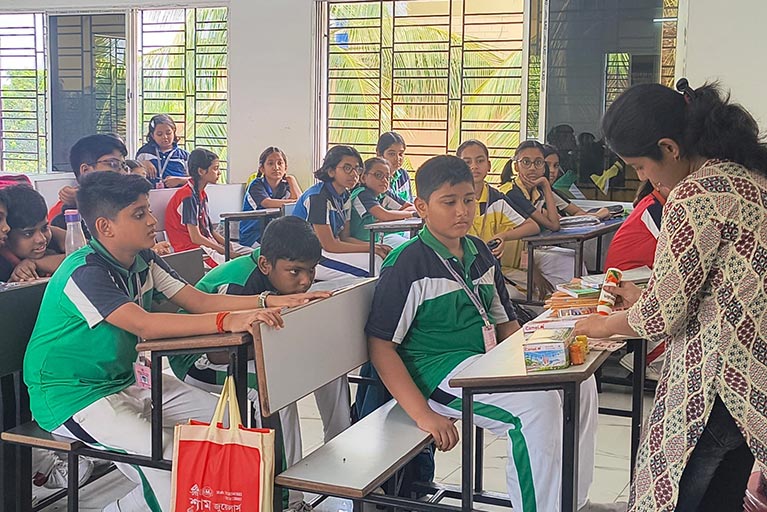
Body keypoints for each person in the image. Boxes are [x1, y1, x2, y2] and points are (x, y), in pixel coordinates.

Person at [22, 171, 292, 511]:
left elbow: (198, 300)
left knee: (229, 420)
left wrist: (272, 301)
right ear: (105, 227)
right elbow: (145, 325)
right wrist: (228, 320)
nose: (152, 220)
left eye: (148, 210)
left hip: (124, 381)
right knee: (166, 458)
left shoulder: (143, 259)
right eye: (139, 214)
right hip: (72, 397)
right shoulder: (85, 272)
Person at [366, 155, 615, 512]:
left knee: (579, 384)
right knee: (535, 408)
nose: (462, 211)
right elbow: (381, 347)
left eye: (469, 200)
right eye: (449, 202)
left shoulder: (479, 251)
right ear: (422, 207)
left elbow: (505, 324)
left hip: (484, 363)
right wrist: (424, 415)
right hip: (436, 375)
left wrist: (538, 359)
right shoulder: (408, 263)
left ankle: (573, 502)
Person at [574, 81, 767, 512]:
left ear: (669, 148)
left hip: (713, 382)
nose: (644, 178)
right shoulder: (751, 177)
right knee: (722, 498)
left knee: (673, 497)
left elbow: (661, 316)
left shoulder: (695, 194)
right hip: (752, 383)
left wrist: (598, 325)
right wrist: (644, 294)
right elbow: (722, 284)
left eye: (640, 166)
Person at [168, 216, 347, 511]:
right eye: (295, 271)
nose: (305, 281)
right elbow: (222, 351)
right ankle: (288, 499)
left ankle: (342, 455)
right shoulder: (238, 284)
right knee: (273, 389)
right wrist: (287, 350)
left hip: (251, 352)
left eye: (311, 270)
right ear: (265, 265)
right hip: (197, 357)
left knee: (330, 364)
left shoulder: (281, 273)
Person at [603, 173, 669, 381]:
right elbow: (677, 250)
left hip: (639, 276)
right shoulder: (653, 208)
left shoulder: (656, 204)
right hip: (626, 281)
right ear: (658, 182)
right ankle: (644, 359)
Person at [292, 145, 389, 280]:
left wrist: (375, 247)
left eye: (357, 169)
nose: (354, 174)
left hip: (327, 251)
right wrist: (371, 248)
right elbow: (329, 245)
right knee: (373, 266)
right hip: (306, 256)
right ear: (331, 171)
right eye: (347, 168)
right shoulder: (318, 198)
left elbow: (345, 237)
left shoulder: (345, 196)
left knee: (380, 258)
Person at [499, 141, 583, 288]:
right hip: (505, 261)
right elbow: (553, 225)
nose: (532, 168)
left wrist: (545, 185)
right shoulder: (511, 193)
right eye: (526, 162)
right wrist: (545, 183)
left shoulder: (536, 191)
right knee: (546, 288)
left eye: (538, 163)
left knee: (573, 261)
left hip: (525, 254)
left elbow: (554, 223)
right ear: (516, 166)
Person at [457, 139, 540, 273]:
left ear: (489, 165)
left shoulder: (496, 200)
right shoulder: (452, 200)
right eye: (467, 162)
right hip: (459, 268)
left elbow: (532, 226)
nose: (474, 166)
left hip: (490, 268)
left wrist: (503, 236)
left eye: (480, 161)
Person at [165, 148, 251, 267]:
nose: (219, 173)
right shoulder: (187, 196)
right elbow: (195, 238)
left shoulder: (202, 194)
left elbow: (209, 230)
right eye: (215, 168)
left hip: (208, 243)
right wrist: (227, 252)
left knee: (252, 254)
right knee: (238, 265)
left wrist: (227, 244)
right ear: (201, 171)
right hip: (192, 250)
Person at [48, 134, 130, 233]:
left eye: (123, 166)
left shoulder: (130, 204)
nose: (123, 172)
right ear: (86, 170)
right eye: (113, 164)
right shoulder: (65, 220)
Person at [0, 185, 65, 282]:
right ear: (6, 235)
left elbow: (86, 256)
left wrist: (36, 263)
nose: (42, 239)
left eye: (44, 228)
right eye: (28, 233)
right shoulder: (3, 265)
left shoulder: (53, 240)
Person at [239, 147, 302, 247]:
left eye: (280, 163)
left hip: (274, 234)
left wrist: (292, 180)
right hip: (254, 236)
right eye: (270, 163)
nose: (276, 167)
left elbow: (299, 204)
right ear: (262, 169)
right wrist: (293, 201)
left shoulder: (286, 185)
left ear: (285, 167)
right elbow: (267, 203)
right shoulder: (256, 185)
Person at [349, 157, 416, 248]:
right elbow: (384, 215)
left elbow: (411, 207)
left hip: (376, 240)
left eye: (387, 177)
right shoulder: (362, 194)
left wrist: (393, 216)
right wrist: (412, 215)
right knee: (408, 248)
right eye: (378, 175)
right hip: (359, 244)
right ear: (363, 178)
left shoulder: (384, 193)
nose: (384, 180)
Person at [543, 145, 610, 219]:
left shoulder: (550, 191)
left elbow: (577, 212)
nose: (552, 170)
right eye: (547, 165)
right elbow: (558, 220)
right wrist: (598, 215)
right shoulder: (535, 195)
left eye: (556, 166)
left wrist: (593, 216)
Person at [135, 114, 190, 188]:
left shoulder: (184, 156)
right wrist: (141, 164)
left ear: (174, 131)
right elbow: (132, 174)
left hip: (177, 194)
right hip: (150, 194)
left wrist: (180, 180)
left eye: (168, 133)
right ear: (152, 135)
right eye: (159, 134)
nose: (165, 137)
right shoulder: (144, 153)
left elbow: (197, 180)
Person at [376, 131, 413, 202]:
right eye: (392, 154)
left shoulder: (403, 175)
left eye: (400, 154)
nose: (397, 158)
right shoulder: (374, 177)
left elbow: (409, 201)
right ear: (379, 154)